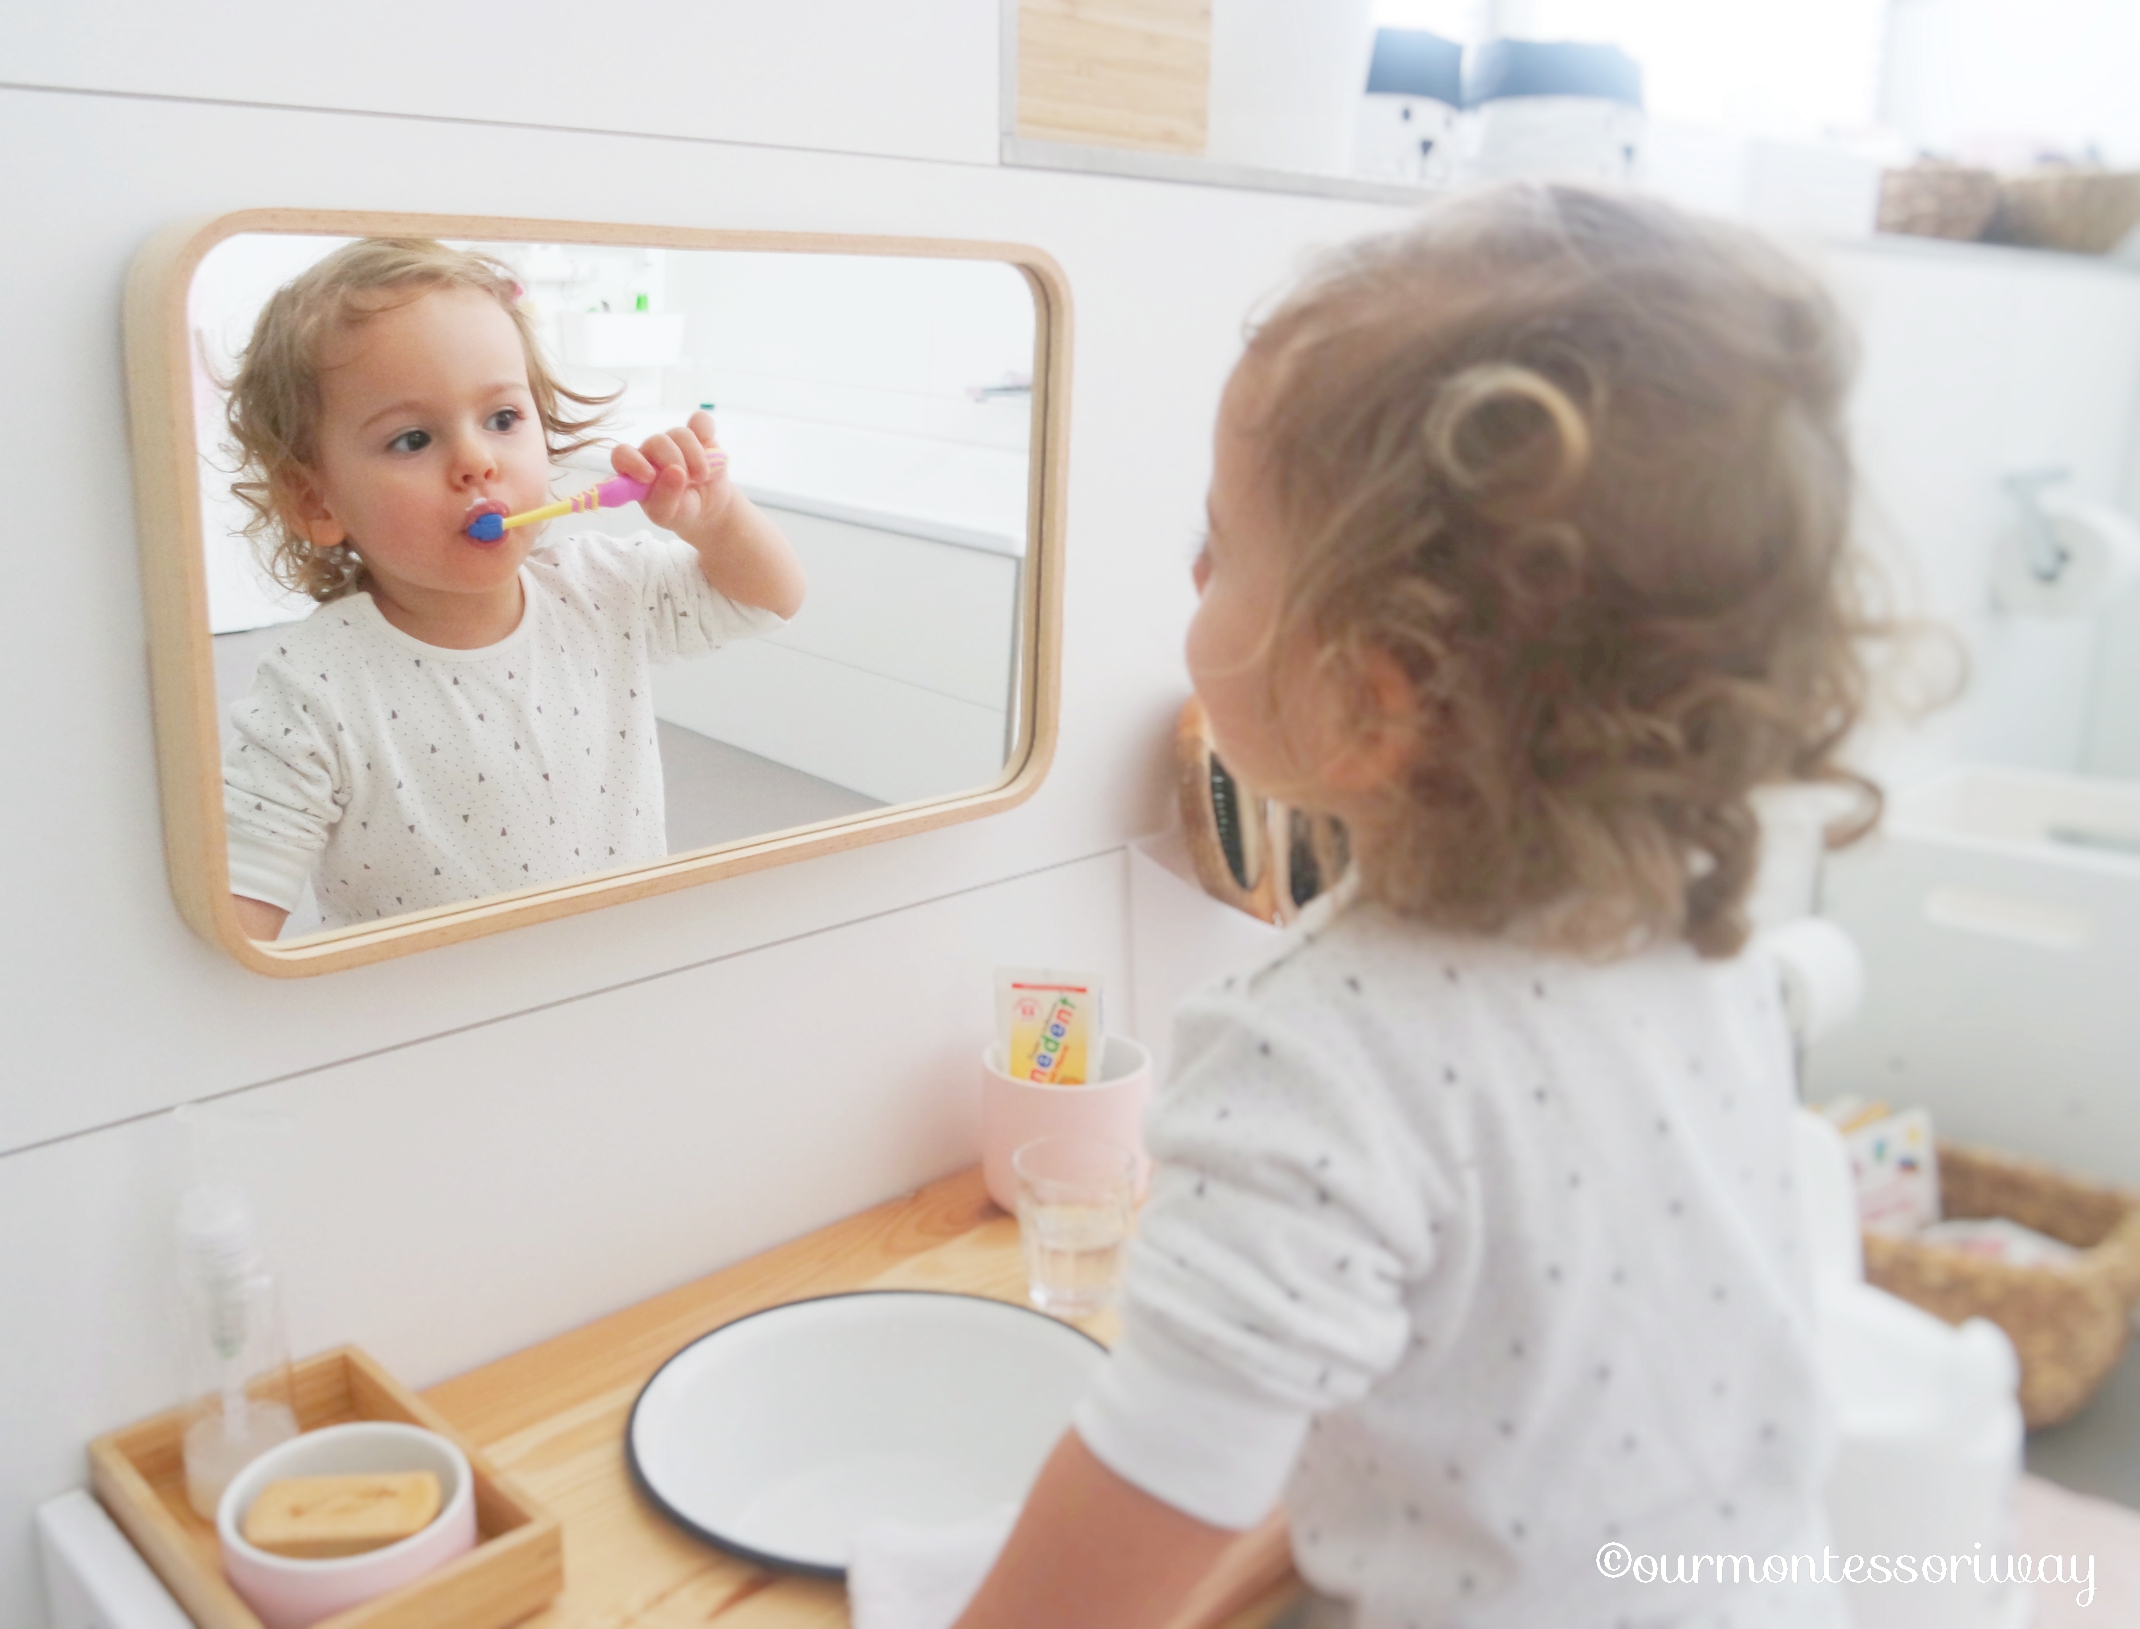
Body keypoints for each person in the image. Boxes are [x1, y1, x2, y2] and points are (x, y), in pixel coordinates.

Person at [953, 185, 1877, 1628]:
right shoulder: (1699, 926)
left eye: (1223, 546)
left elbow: (1110, 1551)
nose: (1191, 575)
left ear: (1372, 698)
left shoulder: (1312, 1050)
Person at [216, 239, 805, 938]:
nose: (476, 462)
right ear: (318, 501)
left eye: (502, 419)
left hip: (618, 973)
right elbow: (240, 917)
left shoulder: (601, 587)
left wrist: (720, 519)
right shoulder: (315, 686)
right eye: (412, 439)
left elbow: (768, 597)